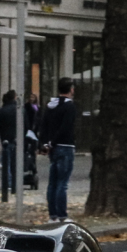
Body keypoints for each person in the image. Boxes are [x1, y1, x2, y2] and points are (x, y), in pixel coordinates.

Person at [38, 77, 77, 223]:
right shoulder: (70, 107)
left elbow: (44, 126)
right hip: (65, 146)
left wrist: (45, 144)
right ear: (70, 89)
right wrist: (54, 142)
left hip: (53, 148)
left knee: (52, 182)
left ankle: (52, 215)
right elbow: (66, 127)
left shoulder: (51, 106)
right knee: (63, 182)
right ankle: (62, 215)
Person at [0, 90, 18, 192]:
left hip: (5, 139)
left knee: (6, 162)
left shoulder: (2, 110)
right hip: (17, 139)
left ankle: (9, 182)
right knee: (15, 162)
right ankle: (15, 183)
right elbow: (26, 125)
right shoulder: (19, 110)